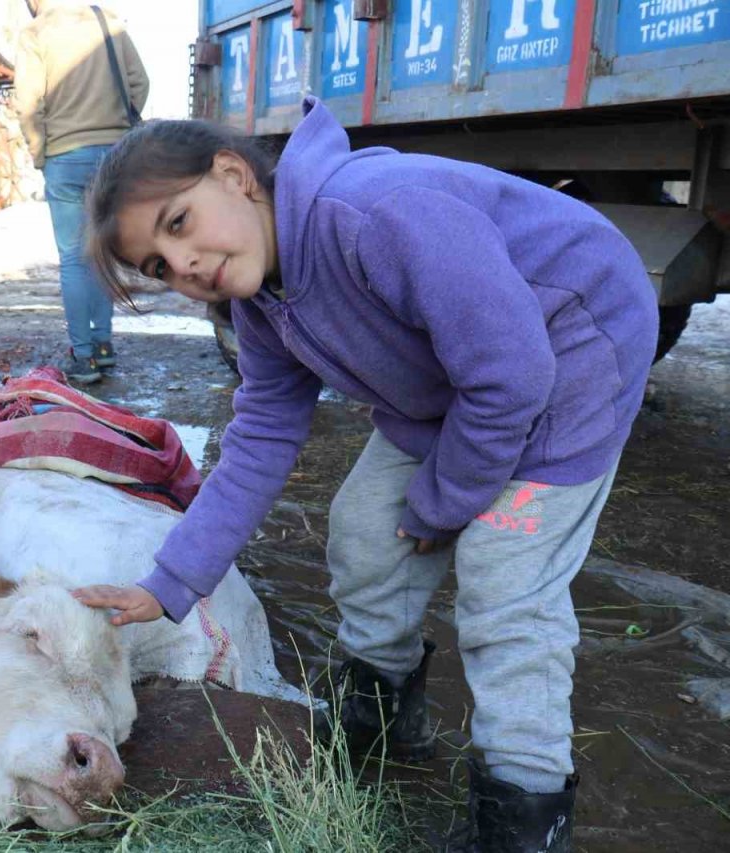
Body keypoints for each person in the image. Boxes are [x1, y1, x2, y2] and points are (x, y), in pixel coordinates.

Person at [72, 96, 658, 852]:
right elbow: (259, 437)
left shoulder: (374, 215)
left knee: (504, 586)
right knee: (364, 529)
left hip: (569, 357)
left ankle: (523, 813)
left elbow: (513, 373)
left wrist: (445, 500)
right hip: (463, 379)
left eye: (179, 222)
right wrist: (170, 582)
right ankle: (380, 724)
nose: (182, 265)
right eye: (158, 266)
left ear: (233, 174)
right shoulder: (263, 306)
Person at [13, 0, 148, 384]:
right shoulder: (108, 22)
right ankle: (104, 346)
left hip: (65, 155)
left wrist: (40, 152)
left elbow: (27, 104)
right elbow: (140, 83)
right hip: (113, 154)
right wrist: (116, 124)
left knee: (74, 258)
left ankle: (83, 357)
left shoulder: (36, 33)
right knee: (101, 251)